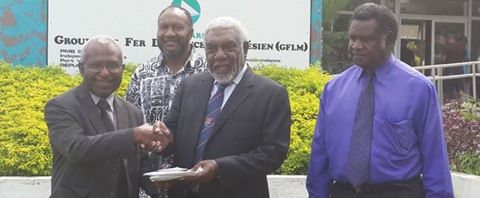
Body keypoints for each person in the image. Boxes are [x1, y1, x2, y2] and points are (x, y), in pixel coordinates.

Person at [306, 3, 453, 198]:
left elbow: (435, 161)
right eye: (352, 38)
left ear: (389, 39)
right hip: (344, 192)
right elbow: (320, 156)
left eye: (366, 39)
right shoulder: (333, 89)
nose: (356, 46)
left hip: (398, 192)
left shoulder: (419, 89)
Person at [158, 17, 292, 198]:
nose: (219, 55)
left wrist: (220, 167)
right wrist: (160, 139)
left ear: (245, 48)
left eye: (229, 47)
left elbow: (273, 153)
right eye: (212, 49)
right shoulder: (189, 86)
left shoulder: (271, 94)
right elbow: (171, 135)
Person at [45, 35, 172, 198]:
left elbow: (137, 168)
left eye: (112, 65)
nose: (105, 73)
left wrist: (161, 176)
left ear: (122, 68)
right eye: (96, 65)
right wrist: (134, 135)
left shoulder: (132, 112)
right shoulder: (61, 106)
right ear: (81, 68)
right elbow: (77, 149)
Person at [125, 6, 207, 198]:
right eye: (164, 27)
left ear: (191, 33)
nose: (169, 33)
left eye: (177, 27)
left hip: (196, 182)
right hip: (148, 186)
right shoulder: (142, 73)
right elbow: (131, 123)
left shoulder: (209, 72)